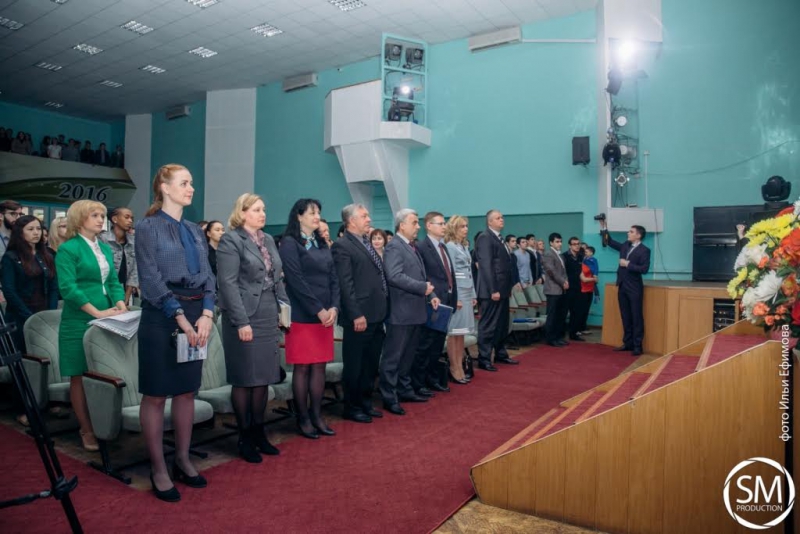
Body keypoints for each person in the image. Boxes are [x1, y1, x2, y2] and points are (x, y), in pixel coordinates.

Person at [136, 164, 215, 501]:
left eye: (192, 183)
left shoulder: (195, 231)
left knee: (186, 391)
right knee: (156, 394)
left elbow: (209, 275)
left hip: (197, 315)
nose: (191, 188)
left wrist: (207, 313)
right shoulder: (148, 227)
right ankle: (158, 468)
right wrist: (180, 317)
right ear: (164, 188)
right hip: (162, 315)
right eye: (184, 183)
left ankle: (182, 459)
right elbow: (150, 277)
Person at [217, 193, 284, 462]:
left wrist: (284, 310)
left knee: (264, 377)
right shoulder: (231, 240)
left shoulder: (268, 239)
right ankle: (244, 437)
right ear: (242, 213)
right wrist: (242, 321)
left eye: (263, 209)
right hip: (243, 314)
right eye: (256, 209)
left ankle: (259, 432)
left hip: (268, 312)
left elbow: (277, 278)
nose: (262, 214)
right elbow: (228, 283)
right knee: (246, 378)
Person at [57, 200, 127, 452]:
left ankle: (104, 425)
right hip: (79, 319)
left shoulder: (104, 248)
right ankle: (86, 429)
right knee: (79, 375)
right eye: (94, 215)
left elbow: (113, 282)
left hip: (107, 315)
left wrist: (121, 303)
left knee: (102, 373)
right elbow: (68, 288)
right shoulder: (68, 249)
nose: (101, 219)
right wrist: (96, 312)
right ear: (79, 219)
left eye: (102, 215)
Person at [280, 198, 340, 439]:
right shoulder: (289, 243)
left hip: (325, 316)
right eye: (312, 213)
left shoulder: (321, 242)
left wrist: (334, 307)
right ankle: (303, 417)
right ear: (299, 216)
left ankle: (317, 415)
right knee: (303, 368)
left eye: (319, 212)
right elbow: (295, 281)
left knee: (320, 366)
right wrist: (318, 310)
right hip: (303, 315)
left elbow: (334, 278)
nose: (317, 217)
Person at [331, 203, 388, 424]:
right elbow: (345, 284)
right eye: (364, 216)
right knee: (355, 364)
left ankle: (365, 402)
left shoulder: (366, 242)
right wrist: (355, 314)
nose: (368, 219)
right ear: (351, 221)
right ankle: (351, 406)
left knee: (370, 363)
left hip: (376, 314)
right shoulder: (342, 246)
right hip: (359, 316)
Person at [380, 209, 439, 415]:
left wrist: (431, 295)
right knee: (393, 357)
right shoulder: (394, 247)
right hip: (401, 312)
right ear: (402, 225)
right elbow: (394, 276)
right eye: (414, 222)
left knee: (407, 356)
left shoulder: (411, 246)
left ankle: (404, 390)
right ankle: (389, 397)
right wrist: (422, 288)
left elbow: (421, 276)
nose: (418, 226)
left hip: (415, 311)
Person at [413, 211, 458, 394]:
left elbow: (449, 275)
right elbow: (422, 276)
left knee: (437, 344)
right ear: (429, 226)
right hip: (431, 302)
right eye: (440, 223)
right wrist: (430, 296)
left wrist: (454, 298)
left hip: (446, 302)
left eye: (444, 223)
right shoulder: (421, 247)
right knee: (425, 344)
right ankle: (419, 382)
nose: (444, 226)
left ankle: (432, 378)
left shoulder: (443, 247)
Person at [0, 215, 59, 352]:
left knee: (44, 354)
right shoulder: (11, 257)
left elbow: (53, 287)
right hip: (19, 315)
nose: (36, 232)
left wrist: (50, 312)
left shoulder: (47, 256)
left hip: (43, 313)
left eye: (38, 228)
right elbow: (9, 291)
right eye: (30, 229)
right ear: (20, 232)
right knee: (22, 354)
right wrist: (29, 316)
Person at [474, 210, 518, 371]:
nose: (501, 220)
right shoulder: (485, 237)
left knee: (501, 325)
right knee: (489, 325)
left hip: (503, 290)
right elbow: (486, 265)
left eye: (502, 217)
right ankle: (484, 358)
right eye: (498, 218)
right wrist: (493, 289)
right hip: (491, 291)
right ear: (489, 222)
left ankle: (500, 353)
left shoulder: (499, 238)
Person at [600, 222, 651, 356]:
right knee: (625, 316)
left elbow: (644, 269)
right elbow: (609, 241)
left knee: (636, 317)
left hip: (634, 288)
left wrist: (627, 264)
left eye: (631, 231)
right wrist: (603, 227)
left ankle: (637, 346)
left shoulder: (645, 250)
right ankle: (628, 343)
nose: (628, 233)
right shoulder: (625, 245)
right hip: (622, 286)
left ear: (638, 235)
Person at [444, 215, 476, 384]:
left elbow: (469, 272)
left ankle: (460, 365)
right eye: (462, 226)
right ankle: (454, 367)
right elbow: (450, 274)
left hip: (467, 292)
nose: (466, 229)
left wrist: (474, 294)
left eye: (466, 226)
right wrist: (454, 297)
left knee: (461, 333)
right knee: (454, 332)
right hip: (458, 294)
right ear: (454, 228)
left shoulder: (463, 246)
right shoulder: (450, 246)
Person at [99, 207, 138, 305]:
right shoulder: (102, 239)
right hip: (104, 290)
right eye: (126, 217)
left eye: (132, 218)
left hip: (125, 291)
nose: (130, 221)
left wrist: (126, 298)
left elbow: (134, 272)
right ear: (115, 219)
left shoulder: (133, 241)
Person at [542, 233, 569, 347]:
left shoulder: (560, 255)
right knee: (552, 315)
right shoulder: (548, 254)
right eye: (557, 242)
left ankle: (558, 337)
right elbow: (552, 272)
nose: (560, 244)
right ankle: (550, 338)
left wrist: (566, 281)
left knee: (560, 315)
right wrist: (563, 282)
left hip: (561, 289)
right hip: (553, 289)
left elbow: (563, 271)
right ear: (551, 243)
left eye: (560, 241)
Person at [563, 236, 587, 342]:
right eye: (574, 244)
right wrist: (564, 282)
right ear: (569, 245)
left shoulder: (580, 256)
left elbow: (580, 272)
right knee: (564, 312)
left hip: (578, 287)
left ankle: (573, 334)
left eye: (578, 244)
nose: (577, 246)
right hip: (566, 288)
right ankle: (560, 334)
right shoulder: (564, 256)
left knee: (576, 311)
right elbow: (561, 272)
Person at [578, 246, 599, 336]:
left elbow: (595, 270)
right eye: (584, 252)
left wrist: (595, 277)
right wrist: (594, 279)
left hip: (590, 289)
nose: (585, 253)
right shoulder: (581, 263)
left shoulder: (592, 261)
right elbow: (583, 279)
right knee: (581, 310)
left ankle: (583, 327)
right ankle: (578, 328)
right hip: (583, 289)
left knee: (586, 310)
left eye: (587, 251)